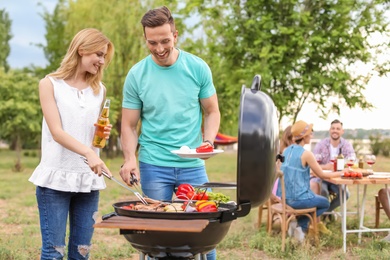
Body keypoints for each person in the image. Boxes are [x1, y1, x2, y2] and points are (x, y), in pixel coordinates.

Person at [119, 6, 220, 260]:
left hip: (192, 163)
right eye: (152, 43)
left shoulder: (197, 68)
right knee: (156, 236)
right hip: (153, 163)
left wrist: (207, 143)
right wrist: (130, 158)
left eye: (165, 40)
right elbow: (129, 125)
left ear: (176, 35)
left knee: (205, 231)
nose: (160, 48)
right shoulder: (136, 75)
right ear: (145, 40)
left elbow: (212, 111)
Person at [29, 28, 114, 260]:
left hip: (88, 181)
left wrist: (101, 135)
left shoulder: (100, 90)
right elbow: (57, 132)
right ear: (81, 50)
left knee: (81, 253)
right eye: (98, 54)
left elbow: (94, 139)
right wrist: (89, 152)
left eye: (104, 56)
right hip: (55, 179)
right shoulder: (50, 84)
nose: (102, 61)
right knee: (53, 253)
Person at [277, 120, 344, 242]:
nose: (311, 135)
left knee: (313, 197)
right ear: (304, 136)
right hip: (298, 200)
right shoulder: (306, 154)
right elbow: (322, 175)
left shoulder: (286, 151)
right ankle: (301, 227)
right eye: (310, 133)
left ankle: (297, 227)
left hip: (285, 198)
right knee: (325, 203)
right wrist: (341, 173)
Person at [312, 119, 355, 217]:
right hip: (322, 177)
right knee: (323, 191)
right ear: (329, 130)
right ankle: (323, 215)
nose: (335, 130)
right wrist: (325, 167)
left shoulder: (346, 145)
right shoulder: (321, 144)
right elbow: (314, 164)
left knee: (345, 194)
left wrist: (342, 165)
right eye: (333, 128)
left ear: (342, 131)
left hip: (338, 178)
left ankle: (325, 213)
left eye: (338, 129)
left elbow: (352, 160)